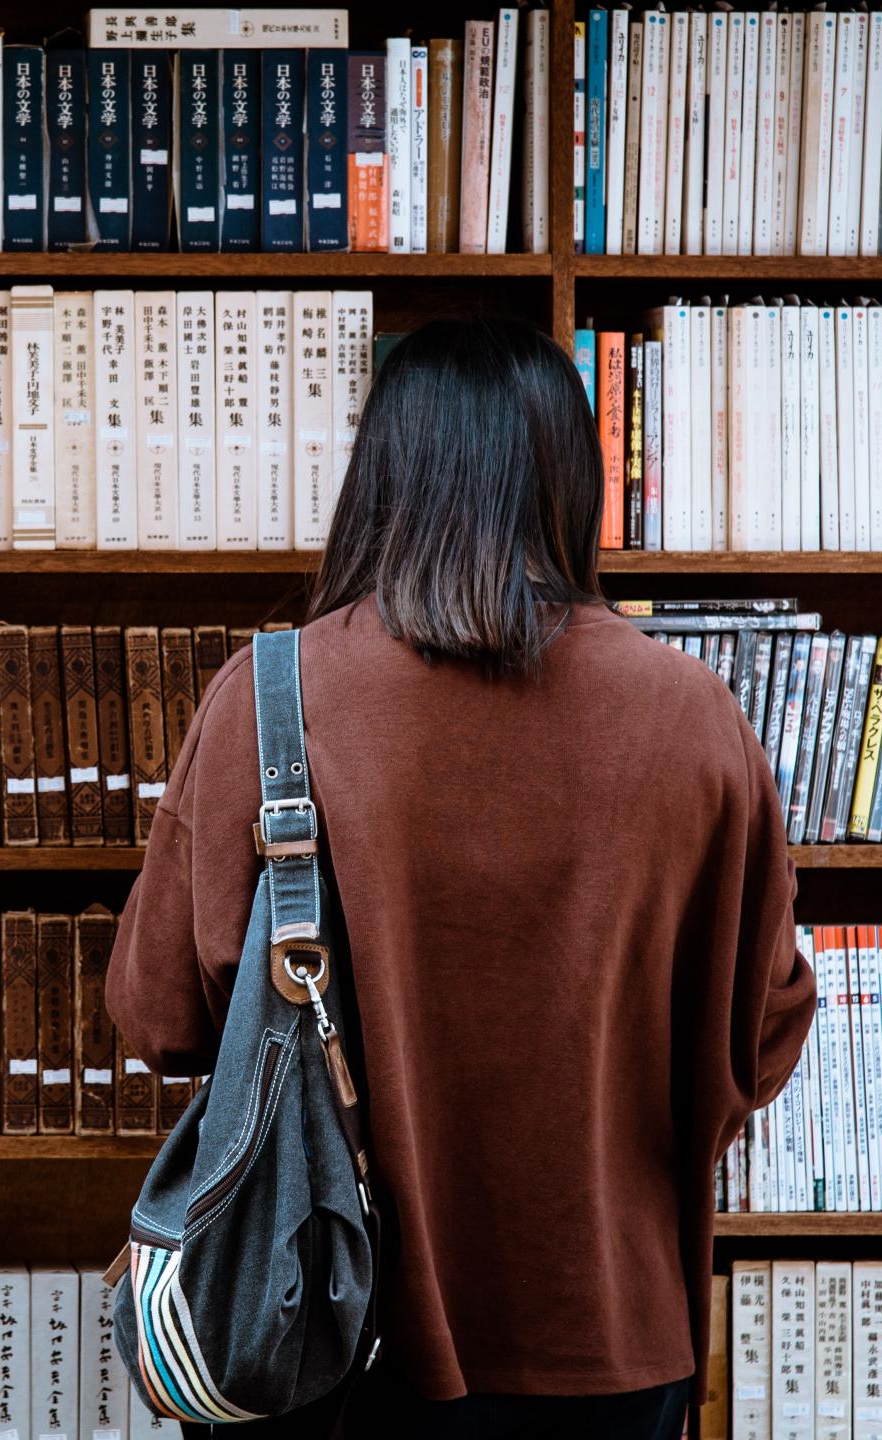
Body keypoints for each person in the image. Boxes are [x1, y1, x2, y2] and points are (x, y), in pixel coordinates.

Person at [105, 315, 816, 1440]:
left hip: (324, 1329)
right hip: (615, 1338)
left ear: (381, 476)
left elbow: (159, 1019)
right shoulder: (696, 720)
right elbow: (764, 1036)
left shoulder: (270, 697)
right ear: (572, 486)